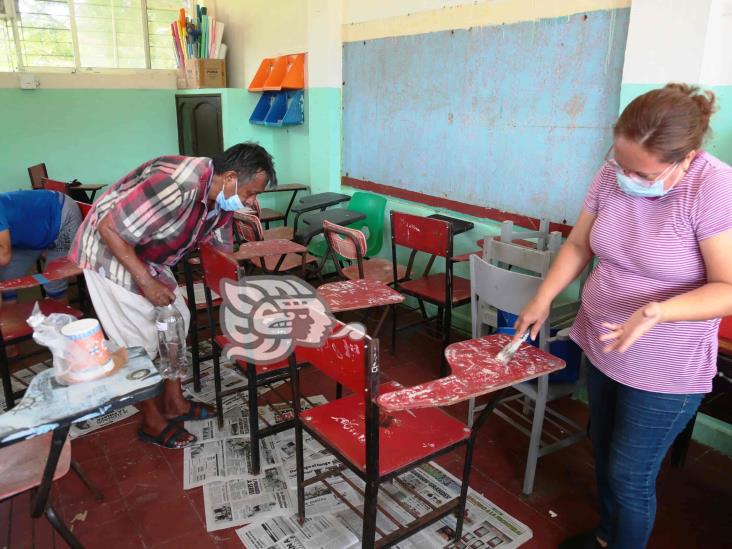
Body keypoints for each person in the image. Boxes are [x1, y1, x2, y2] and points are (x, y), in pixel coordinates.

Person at [513, 84, 732, 549]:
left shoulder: (713, 187)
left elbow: (727, 288)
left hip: (666, 363)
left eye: (642, 172)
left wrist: (658, 311)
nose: (626, 176)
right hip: (604, 341)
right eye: (621, 163)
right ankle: (607, 538)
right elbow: (579, 243)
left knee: (630, 475)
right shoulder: (613, 170)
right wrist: (544, 297)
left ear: (686, 158)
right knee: (603, 451)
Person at [69, 143, 277, 449]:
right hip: (109, 252)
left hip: (148, 254)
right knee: (137, 341)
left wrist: (241, 297)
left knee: (177, 319)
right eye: (251, 193)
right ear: (231, 177)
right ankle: (152, 421)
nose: (252, 201)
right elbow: (109, 229)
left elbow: (220, 252)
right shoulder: (177, 184)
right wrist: (147, 283)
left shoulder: (221, 198)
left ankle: (174, 403)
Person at [0, 189, 83, 305]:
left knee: (53, 281)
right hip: (36, 231)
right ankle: (8, 322)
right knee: (5, 283)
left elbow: (4, 257)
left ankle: (63, 321)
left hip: (64, 220)